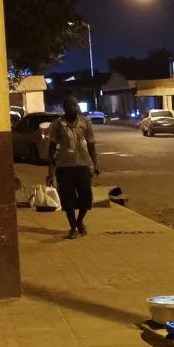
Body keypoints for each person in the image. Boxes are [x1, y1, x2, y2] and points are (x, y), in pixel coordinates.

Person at [46, 96, 100, 239]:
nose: (74, 108)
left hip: (83, 165)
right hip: (64, 167)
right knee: (68, 199)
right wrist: (50, 172)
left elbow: (91, 144)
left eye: (76, 106)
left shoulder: (85, 123)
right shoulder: (57, 125)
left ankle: (79, 221)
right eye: (71, 106)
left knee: (86, 198)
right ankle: (73, 228)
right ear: (65, 108)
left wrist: (95, 163)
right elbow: (52, 147)